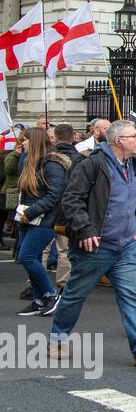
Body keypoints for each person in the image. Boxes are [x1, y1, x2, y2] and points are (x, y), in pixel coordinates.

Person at [49, 119, 136, 368]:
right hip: (95, 245)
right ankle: (57, 338)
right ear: (118, 141)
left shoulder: (133, 164)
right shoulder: (92, 164)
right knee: (75, 294)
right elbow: (71, 199)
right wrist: (85, 229)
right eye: (133, 136)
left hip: (125, 244)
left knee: (132, 295)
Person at [15, 128, 70, 316]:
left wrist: (30, 212)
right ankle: (38, 300)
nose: (23, 143)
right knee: (34, 258)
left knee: (26, 256)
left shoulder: (52, 164)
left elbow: (55, 195)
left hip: (44, 220)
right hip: (26, 218)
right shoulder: (30, 161)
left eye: (26, 140)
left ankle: (51, 294)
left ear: (35, 142)